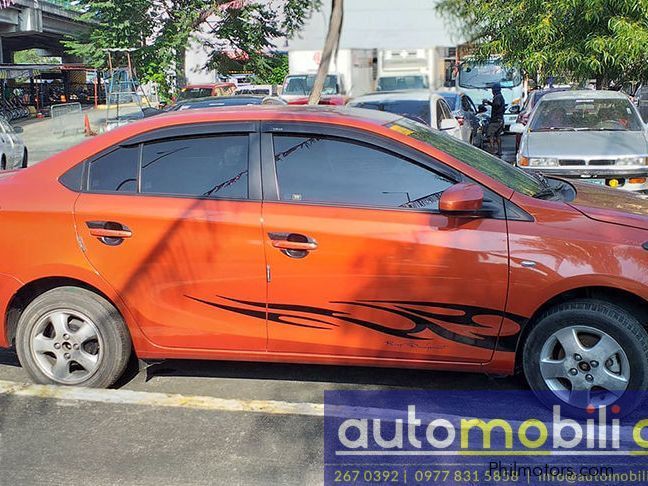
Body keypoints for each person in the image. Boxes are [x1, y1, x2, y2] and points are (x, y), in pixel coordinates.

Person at [482, 82, 506, 156]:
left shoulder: (497, 97)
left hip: (496, 120)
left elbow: (497, 105)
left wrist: (489, 103)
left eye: (493, 90)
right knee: (498, 135)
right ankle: (499, 150)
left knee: (490, 134)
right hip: (500, 119)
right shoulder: (501, 97)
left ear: (495, 90)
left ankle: (491, 150)